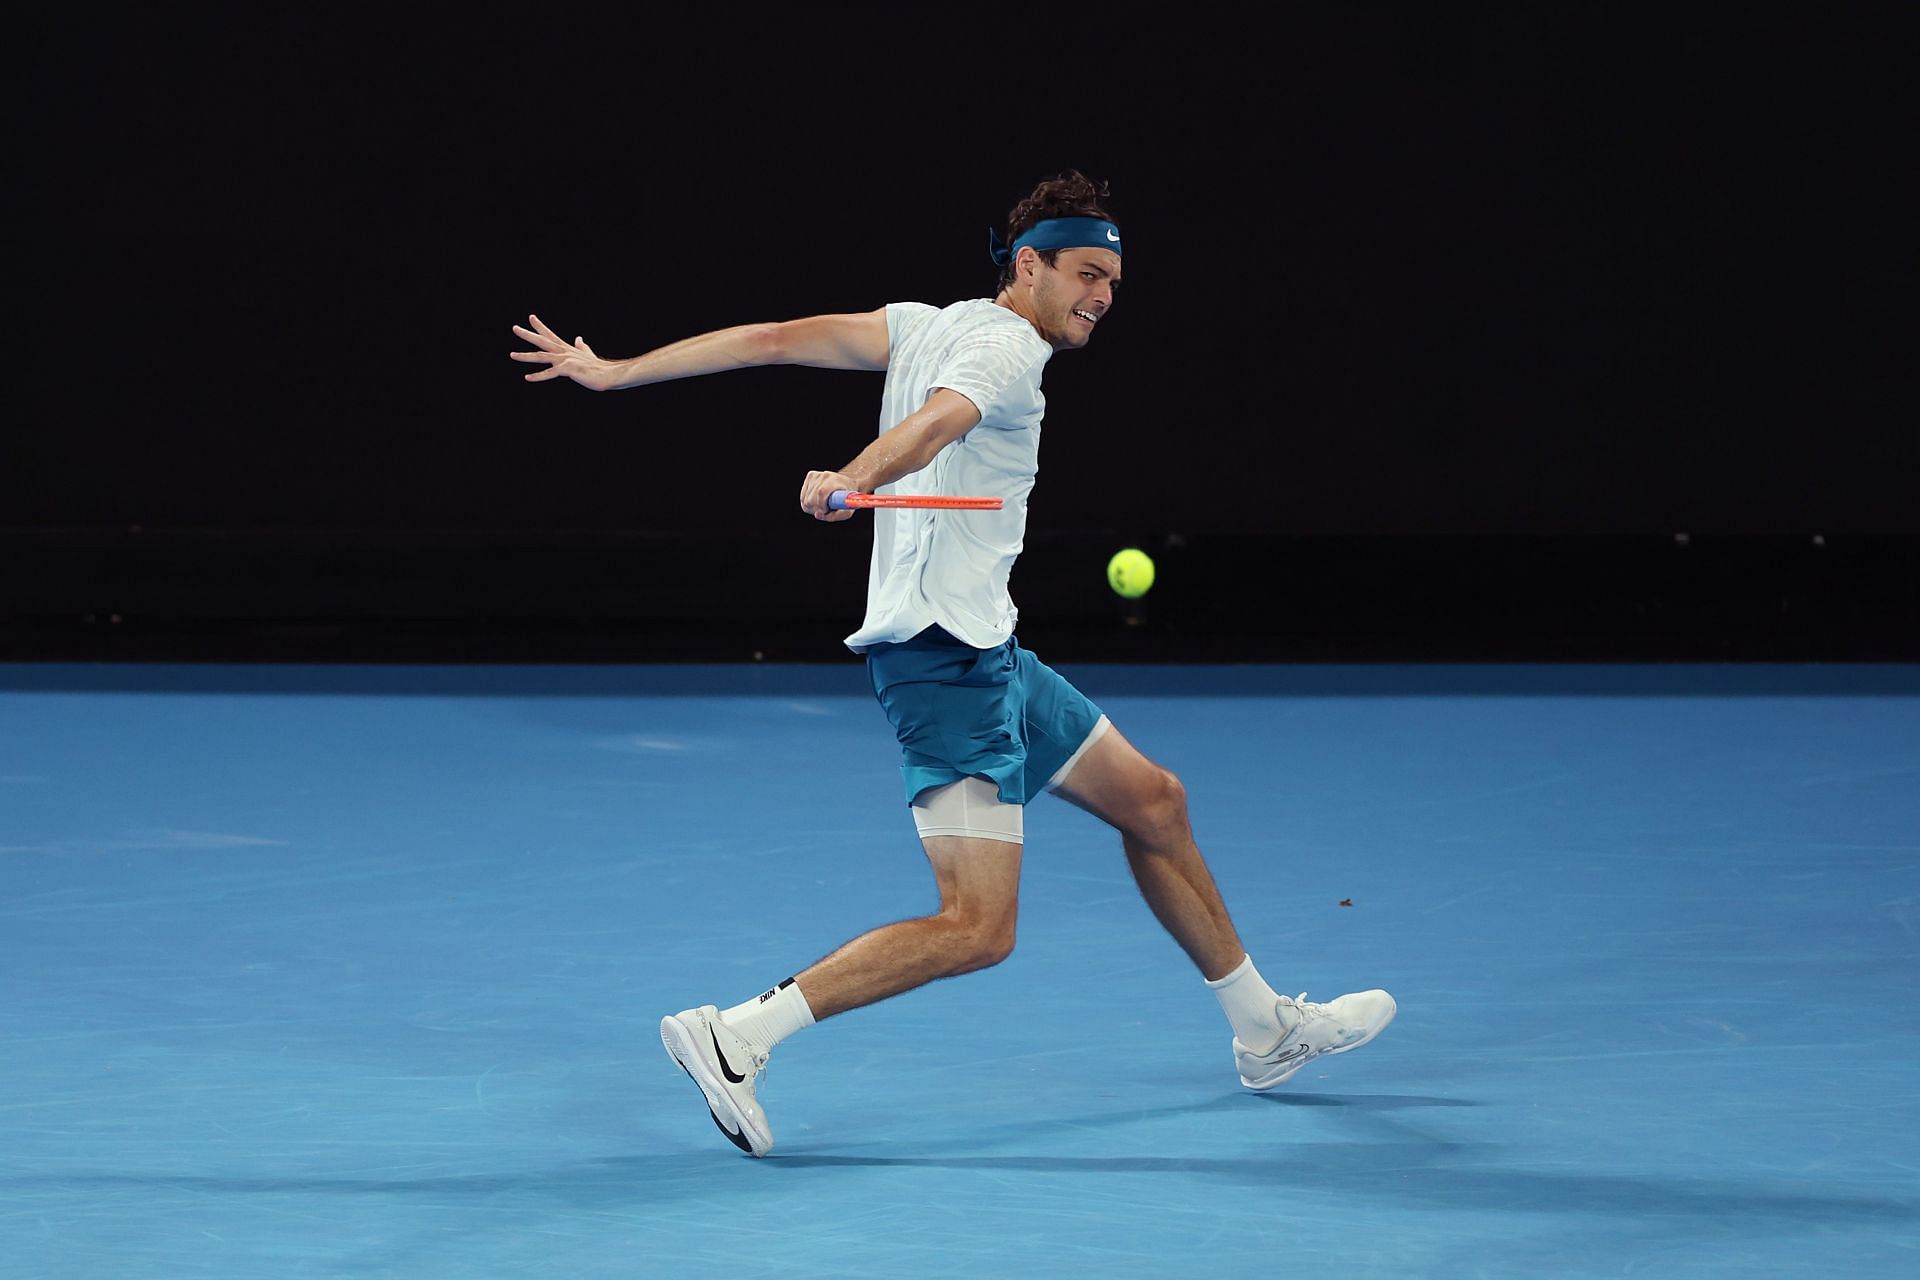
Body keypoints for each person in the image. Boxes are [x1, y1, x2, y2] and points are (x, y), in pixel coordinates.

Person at [510, 171, 1395, 1157]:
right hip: (945, 666)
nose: (1103, 294)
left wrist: (618, 370)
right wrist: (856, 474)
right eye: (1086, 274)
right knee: (978, 925)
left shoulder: (922, 321)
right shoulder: (1007, 348)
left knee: (1155, 801)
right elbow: (940, 420)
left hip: (988, 650)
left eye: (1114, 278)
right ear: (1030, 266)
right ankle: (737, 1035)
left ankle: (1264, 1027)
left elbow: (770, 340)